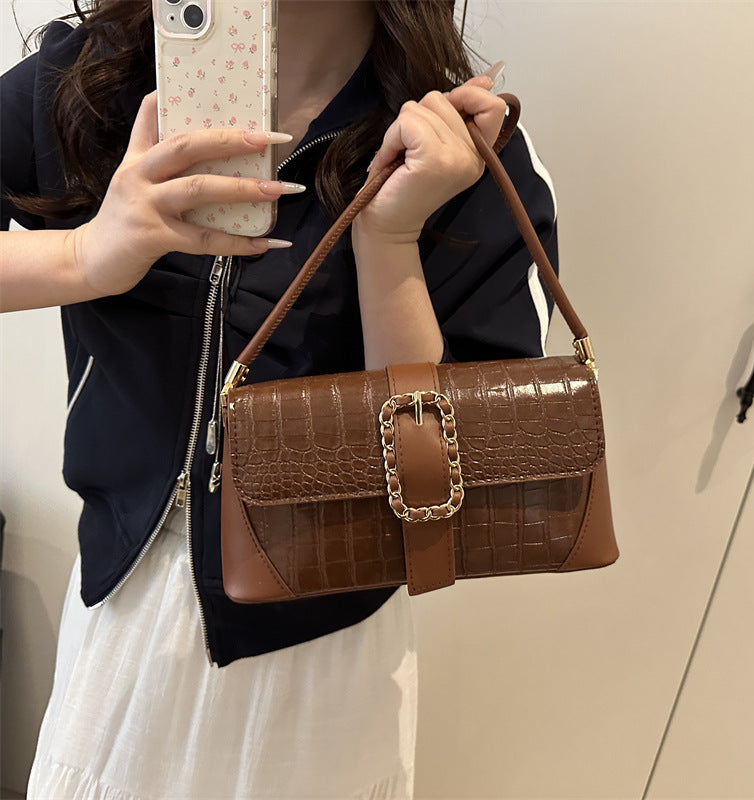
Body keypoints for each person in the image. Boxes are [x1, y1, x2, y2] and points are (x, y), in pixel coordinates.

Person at [0, 0, 559, 797]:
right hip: (121, 616)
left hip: (319, 663)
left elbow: (451, 492)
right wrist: (89, 256)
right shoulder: (95, 80)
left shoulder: (465, 155)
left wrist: (389, 239)